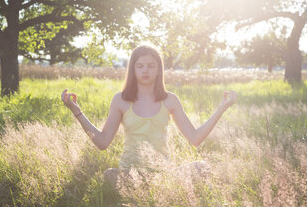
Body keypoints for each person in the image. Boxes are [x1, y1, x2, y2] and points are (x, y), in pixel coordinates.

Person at [61, 45, 237, 188]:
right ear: (133, 69)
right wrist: (77, 112)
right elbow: (102, 142)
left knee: (202, 167)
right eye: (140, 66)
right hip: (129, 174)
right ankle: (142, 189)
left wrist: (221, 109)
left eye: (151, 66)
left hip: (164, 175)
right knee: (108, 175)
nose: (145, 70)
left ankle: (157, 189)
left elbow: (195, 138)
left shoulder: (170, 100)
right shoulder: (120, 100)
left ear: (159, 70)